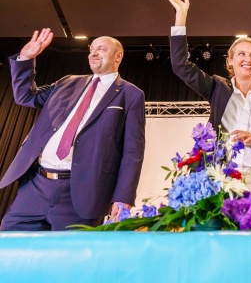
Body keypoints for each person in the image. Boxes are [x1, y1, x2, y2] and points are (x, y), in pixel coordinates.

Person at [0, 29, 146, 231]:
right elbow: (26, 97)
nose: (93, 53)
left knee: (68, 259)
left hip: (82, 193)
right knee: (9, 249)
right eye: (91, 49)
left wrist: (123, 197)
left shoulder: (130, 95)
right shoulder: (67, 82)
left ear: (118, 56)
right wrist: (25, 59)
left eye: (101, 49)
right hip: (36, 186)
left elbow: (132, 153)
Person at [165, 0, 251, 214]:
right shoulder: (218, 88)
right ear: (230, 61)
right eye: (241, 54)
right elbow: (180, 65)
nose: (248, 58)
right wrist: (181, 16)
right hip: (219, 179)